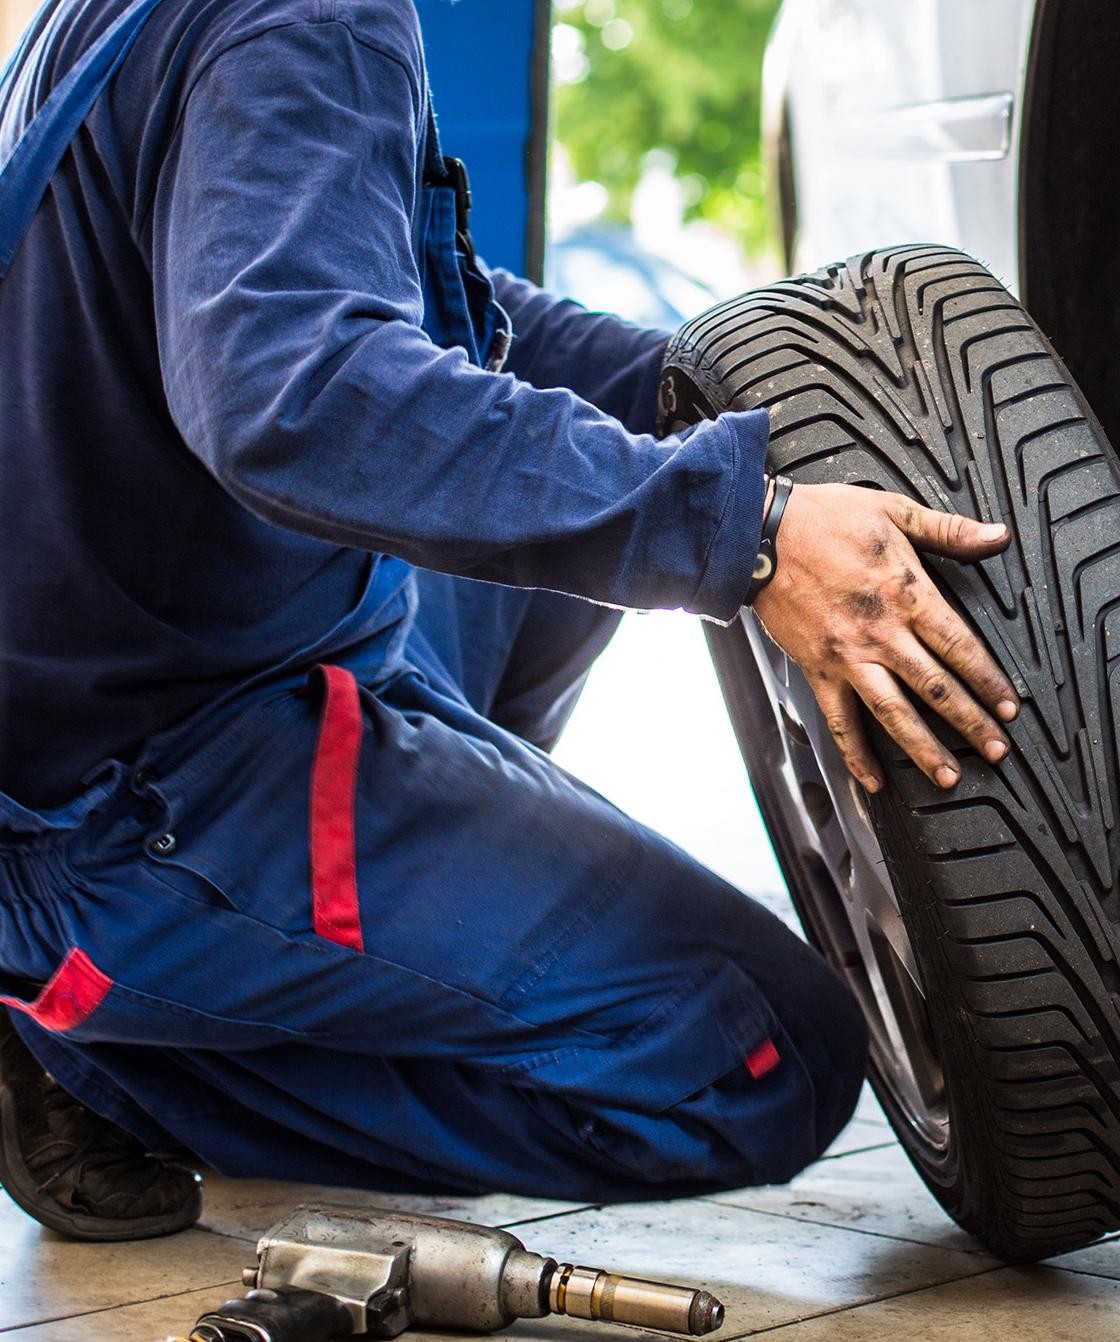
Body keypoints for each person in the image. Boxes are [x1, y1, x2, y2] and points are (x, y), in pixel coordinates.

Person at [0, 0, 1018, 1241]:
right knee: (764, 1058)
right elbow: (296, 397)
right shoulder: (311, 18)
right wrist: (741, 536)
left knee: (544, 541)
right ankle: (102, 1054)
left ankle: (376, 941)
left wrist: (701, 396)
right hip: (129, 799)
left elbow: (429, 308)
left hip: (148, 676)